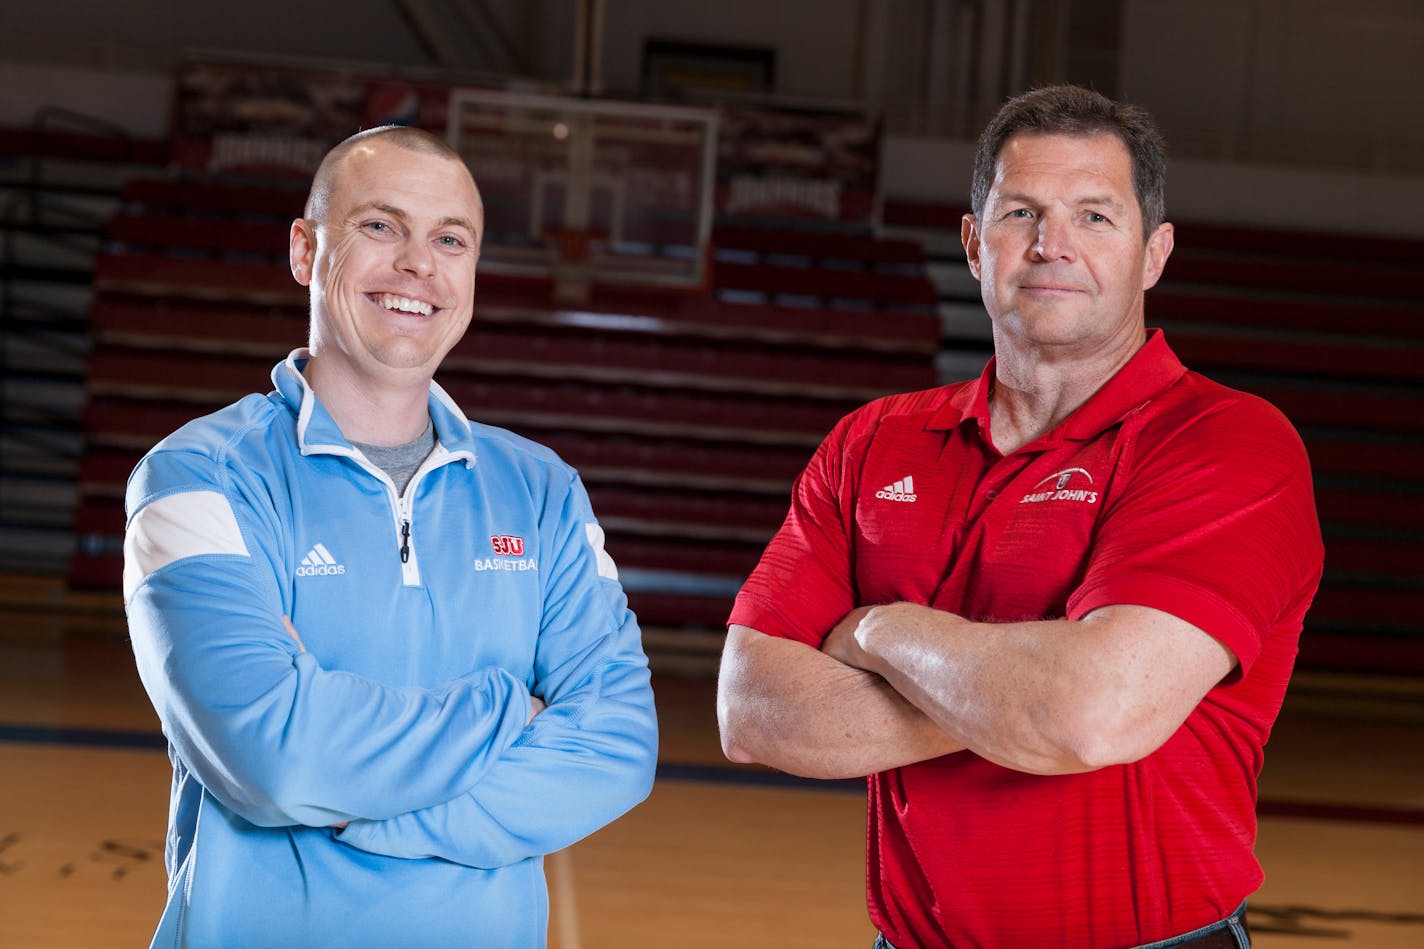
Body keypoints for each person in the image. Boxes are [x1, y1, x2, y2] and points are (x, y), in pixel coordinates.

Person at [717, 85, 1322, 948]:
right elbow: (749, 710)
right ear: (974, 243)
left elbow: (1091, 715)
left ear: (1155, 253)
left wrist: (881, 632)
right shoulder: (871, 444)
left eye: (1095, 216)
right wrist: (1023, 691)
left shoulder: (1229, 443)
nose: (1052, 245)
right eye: (1021, 212)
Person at [124, 125, 658, 948]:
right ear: (306, 250)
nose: (419, 264)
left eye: (450, 240)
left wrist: (368, 814)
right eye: (381, 226)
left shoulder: (542, 490)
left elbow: (619, 745)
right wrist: (510, 709)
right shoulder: (197, 478)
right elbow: (274, 756)